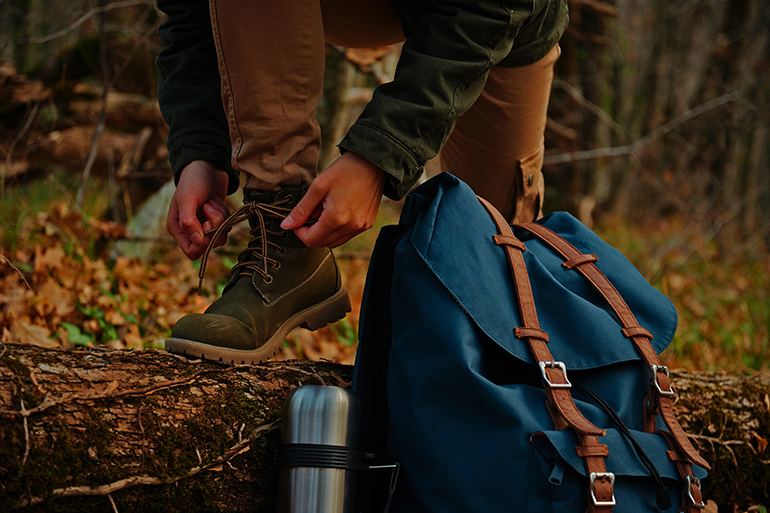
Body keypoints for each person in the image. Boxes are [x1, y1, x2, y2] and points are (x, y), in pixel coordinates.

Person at [156, 0, 568, 363]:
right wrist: (201, 150)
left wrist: (378, 157)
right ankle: (284, 232)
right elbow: (191, 11)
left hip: (495, 13)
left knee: (500, 269)